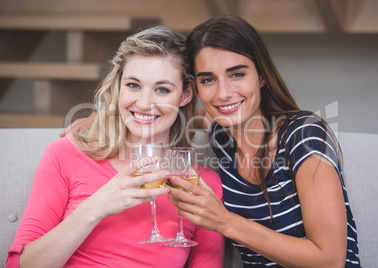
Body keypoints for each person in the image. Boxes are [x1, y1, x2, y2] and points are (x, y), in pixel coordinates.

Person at [6, 25, 224, 268]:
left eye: (162, 89)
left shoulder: (203, 184)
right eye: (133, 85)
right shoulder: (66, 154)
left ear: (185, 95)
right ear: (118, 86)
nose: (143, 103)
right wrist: (96, 206)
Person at [166, 15, 361, 267]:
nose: (223, 93)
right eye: (208, 79)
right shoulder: (223, 135)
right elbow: (181, 113)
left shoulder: (304, 136)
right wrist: (110, 117)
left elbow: (330, 259)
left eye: (236, 74)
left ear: (261, 75)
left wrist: (224, 221)